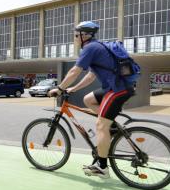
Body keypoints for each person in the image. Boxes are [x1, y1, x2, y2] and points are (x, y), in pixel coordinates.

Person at [48, 21, 135, 179]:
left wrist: (60, 89)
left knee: (100, 125)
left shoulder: (90, 48)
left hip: (117, 90)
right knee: (88, 99)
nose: (74, 38)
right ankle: (112, 128)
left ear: (84, 35)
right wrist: (73, 89)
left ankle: (102, 167)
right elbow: (90, 76)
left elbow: (75, 71)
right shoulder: (97, 47)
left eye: (76, 35)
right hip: (115, 87)